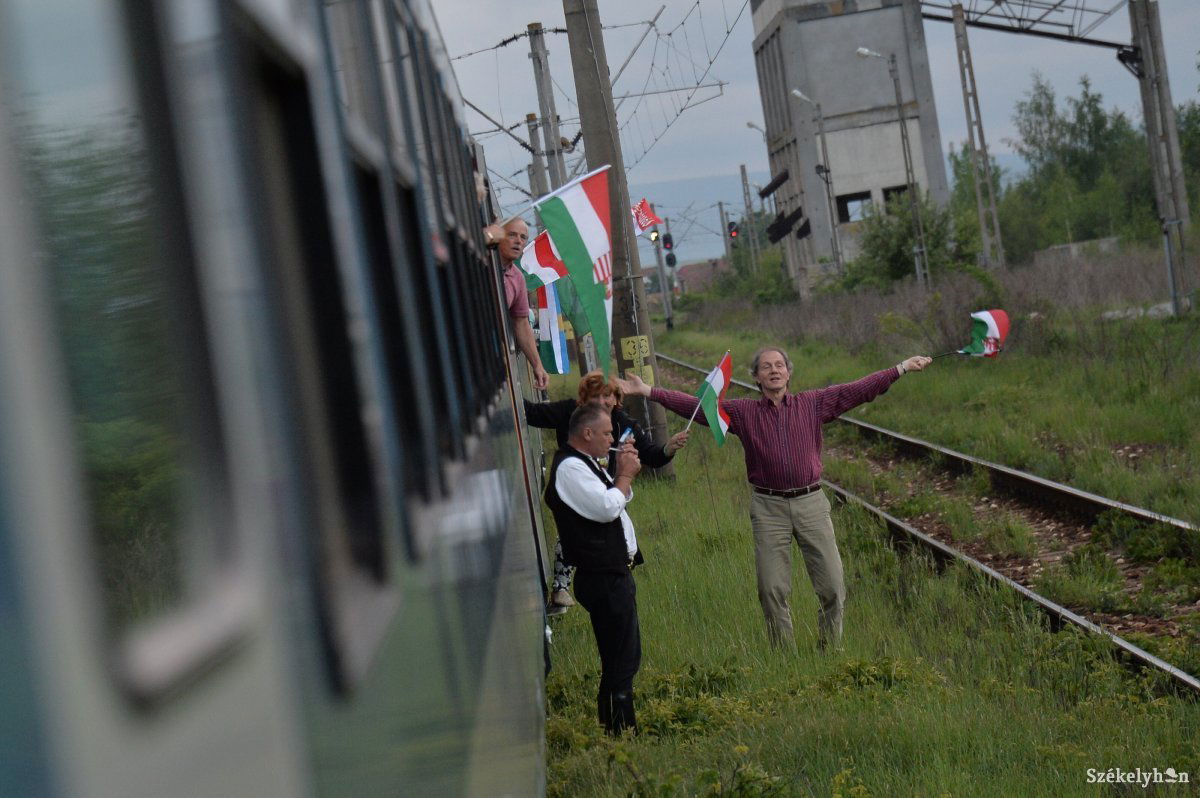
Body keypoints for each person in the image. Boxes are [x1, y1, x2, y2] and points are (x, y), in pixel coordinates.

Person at [618, 349, 932, 650]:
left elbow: (859, 389)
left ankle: (829, 649)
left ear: (789, 372)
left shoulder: (814, 403)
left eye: (779, 365)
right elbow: (697, 407)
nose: (774, 370)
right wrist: (647, 390)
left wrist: (900, 368)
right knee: (771, 589)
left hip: (811, 504)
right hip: (769, 508)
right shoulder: (743, 413)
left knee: (833, 587)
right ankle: (785, 654)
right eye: (766, 367)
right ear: (756, 377)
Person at [526, 371, 688, 614]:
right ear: (583, 400)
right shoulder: (569, 413)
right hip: (576, 488)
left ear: (616, 399)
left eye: (608, 396)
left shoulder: (626, 425)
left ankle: (614, 582)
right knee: (573, 533)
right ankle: (562, 587)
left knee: (609, 542)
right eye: (595, 396)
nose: (602, 402)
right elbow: (532, 414)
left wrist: (669, 447)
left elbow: (653, 456)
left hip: (612, 494)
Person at [545, 402, 643, 735]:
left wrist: (620, 474)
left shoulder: (585, 463)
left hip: (613, 572)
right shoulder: (571, 467)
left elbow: (618, 498)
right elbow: (605, 507)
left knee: (623, 657)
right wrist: (625, 475)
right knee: (620, 660)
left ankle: (617, 727)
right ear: (587, 433)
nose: (612, 437)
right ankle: (620, 732)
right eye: (606, 432)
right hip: (602, 576)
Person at [483, 217, 549, 390]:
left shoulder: (517, 277)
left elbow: (521, 322)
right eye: (512, 234)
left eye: (523, 237)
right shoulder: (481, 259)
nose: (518, 241)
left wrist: (538, 365)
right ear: (498, 235)